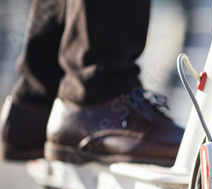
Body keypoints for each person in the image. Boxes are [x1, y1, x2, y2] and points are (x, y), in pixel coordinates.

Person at [0, 0, 184, 166]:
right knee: (99, 84)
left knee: (45, 87)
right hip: (96, 96)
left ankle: (39, 97)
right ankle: (99, 93)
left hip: (47, 97)